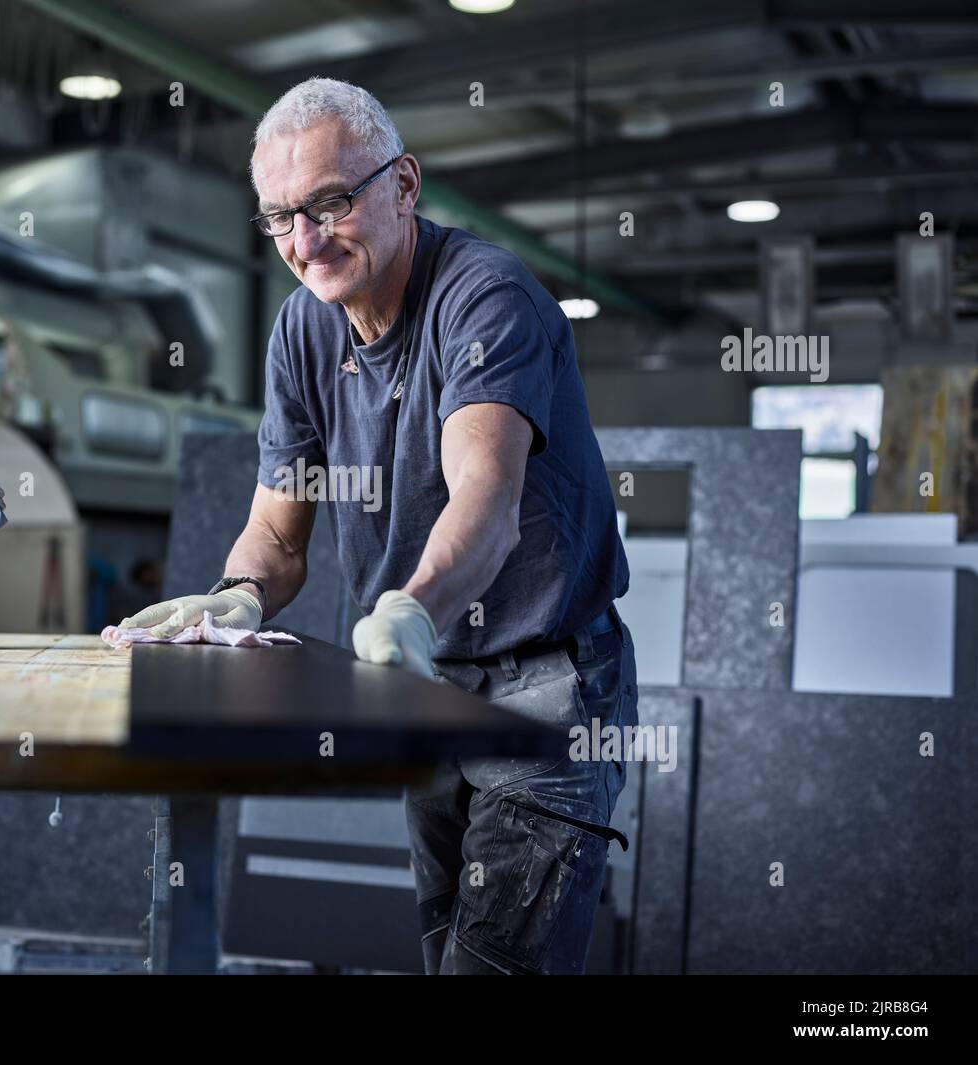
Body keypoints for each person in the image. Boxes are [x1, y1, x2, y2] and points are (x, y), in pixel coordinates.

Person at [119, 77, 637, 975]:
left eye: (329, 202)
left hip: (546, 686)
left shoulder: (486, 296)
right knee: (442, 953)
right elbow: (279, 538)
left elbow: (488, 495)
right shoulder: (302, 332)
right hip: (425, 686)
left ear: (404, 184)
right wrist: (235, 598)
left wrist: (413, 609)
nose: (305, 242)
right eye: (280, 217)